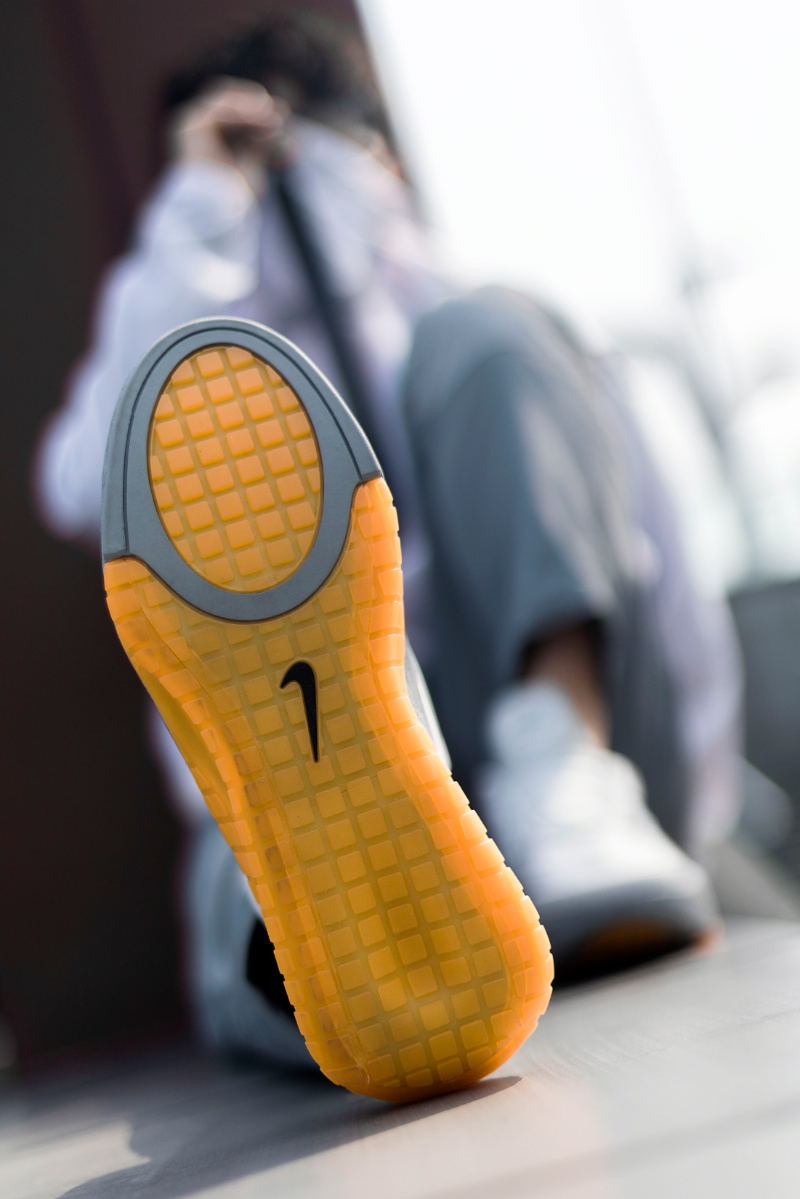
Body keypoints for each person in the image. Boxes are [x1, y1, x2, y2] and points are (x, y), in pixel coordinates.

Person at [35, 14, 740, 1071]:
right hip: (319, 784)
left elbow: (651, 570)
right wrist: (203, 215)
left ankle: (565, 776)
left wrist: (684, 815)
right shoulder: (217, 375)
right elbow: (87, 477)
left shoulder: (475, 330)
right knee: (257, 850)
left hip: (559, 776)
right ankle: (307, 948)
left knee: (494, 331)